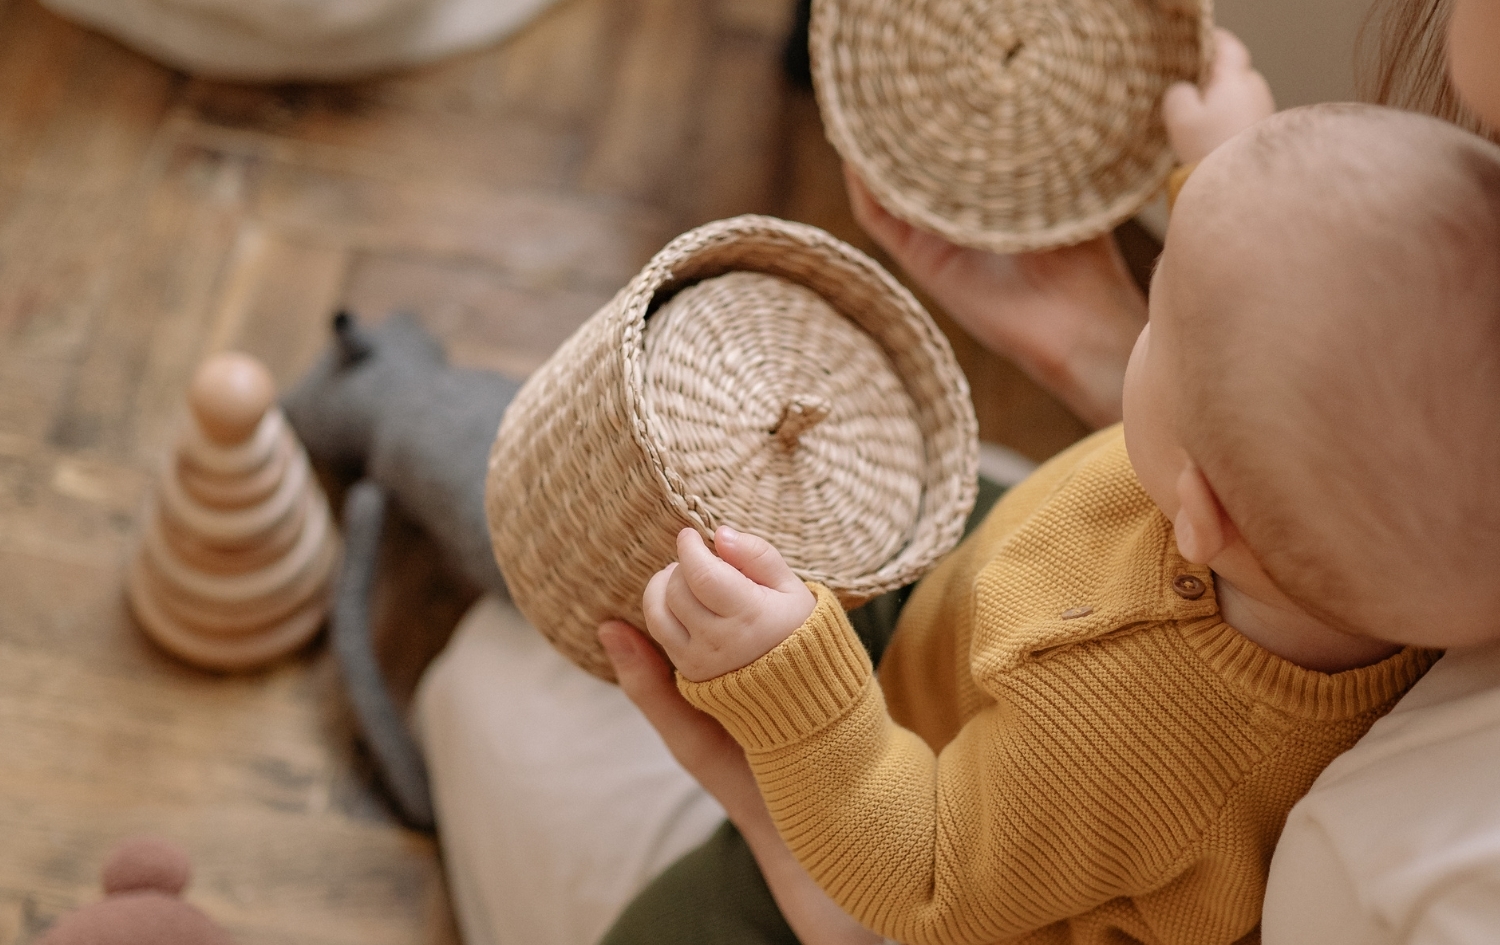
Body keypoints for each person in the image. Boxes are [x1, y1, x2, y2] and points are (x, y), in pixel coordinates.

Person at [600, 103, 1500, 944]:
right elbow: (1322, 323)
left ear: (1200, 511)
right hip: (998, 597)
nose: (1145, 324)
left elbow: (923, 873)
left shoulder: (1126, 740)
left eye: (1161, 320)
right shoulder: (1385, 537)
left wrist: (801, 698)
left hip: (906, 800)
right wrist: (1226, 171)